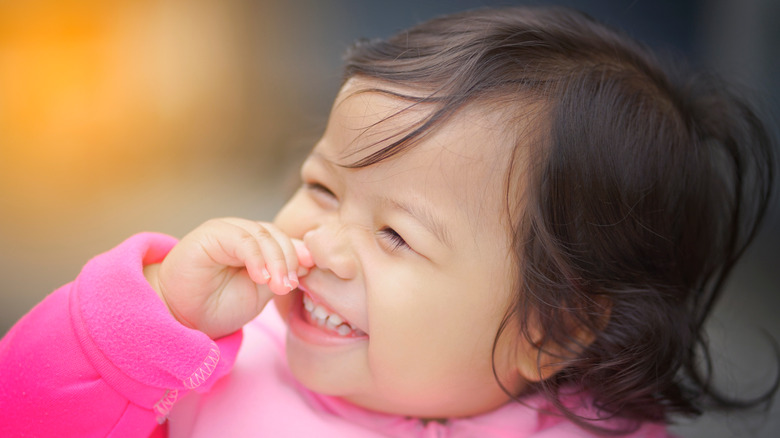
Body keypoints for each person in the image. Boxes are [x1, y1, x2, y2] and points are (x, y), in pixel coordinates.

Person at [0, 6, 775, 437]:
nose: (321, 245)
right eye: (324, 188)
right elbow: (21, 409)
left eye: (396, 235)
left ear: (555, 329)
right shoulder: (205, 371)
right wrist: (155, 311)